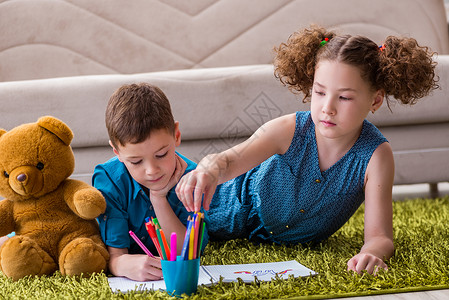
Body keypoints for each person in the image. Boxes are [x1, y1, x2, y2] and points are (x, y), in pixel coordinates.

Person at [176, 26, 438, 275]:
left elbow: (380, 237)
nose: (328, 108)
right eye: (320, 92)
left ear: (376, 100)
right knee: (150, 200)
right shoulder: (289, 129)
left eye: (344, 97)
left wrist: (371, 253)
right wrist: (207, 171)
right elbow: (229, 160)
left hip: (266, 240)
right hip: (213, 200)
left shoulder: (376, 156)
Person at [93, 83, 208, 281]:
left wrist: (158, 198)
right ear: (117, 152)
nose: (151, 170)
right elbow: (115, 255)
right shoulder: (110, 180)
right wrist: (120, 263)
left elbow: (188, 253)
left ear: (176, 135)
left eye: (161, 154)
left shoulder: (191, 177)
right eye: (136, 161)